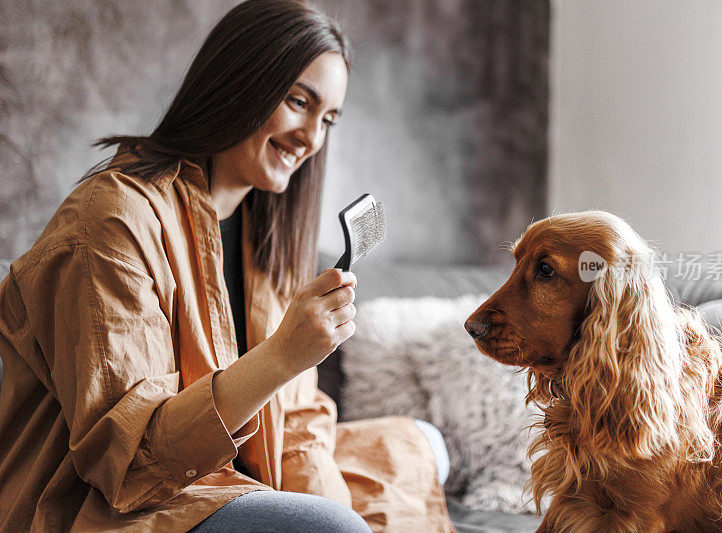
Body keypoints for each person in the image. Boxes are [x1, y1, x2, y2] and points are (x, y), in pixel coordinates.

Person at [0, 1, 453, 531]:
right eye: (297, 101)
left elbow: (297, 421)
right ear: (241, 81)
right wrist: (283, 356)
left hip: (242, 476)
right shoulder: (113, 221)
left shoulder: (269, 234)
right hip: (120, 503)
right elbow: (128, 464)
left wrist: (328, 499)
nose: (312, 139)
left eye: (328, 118)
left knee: (425, 445)